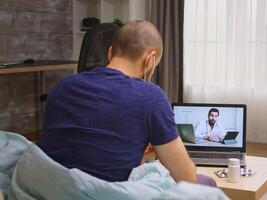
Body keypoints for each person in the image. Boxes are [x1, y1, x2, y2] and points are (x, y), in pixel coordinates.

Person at [37, 20, 216, 186]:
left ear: (109, 52)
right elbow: (185, 178)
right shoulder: (151, 97)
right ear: (150, 59)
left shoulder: (61, 87)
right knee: (205, 183)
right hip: (103, 193)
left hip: (51, 189)